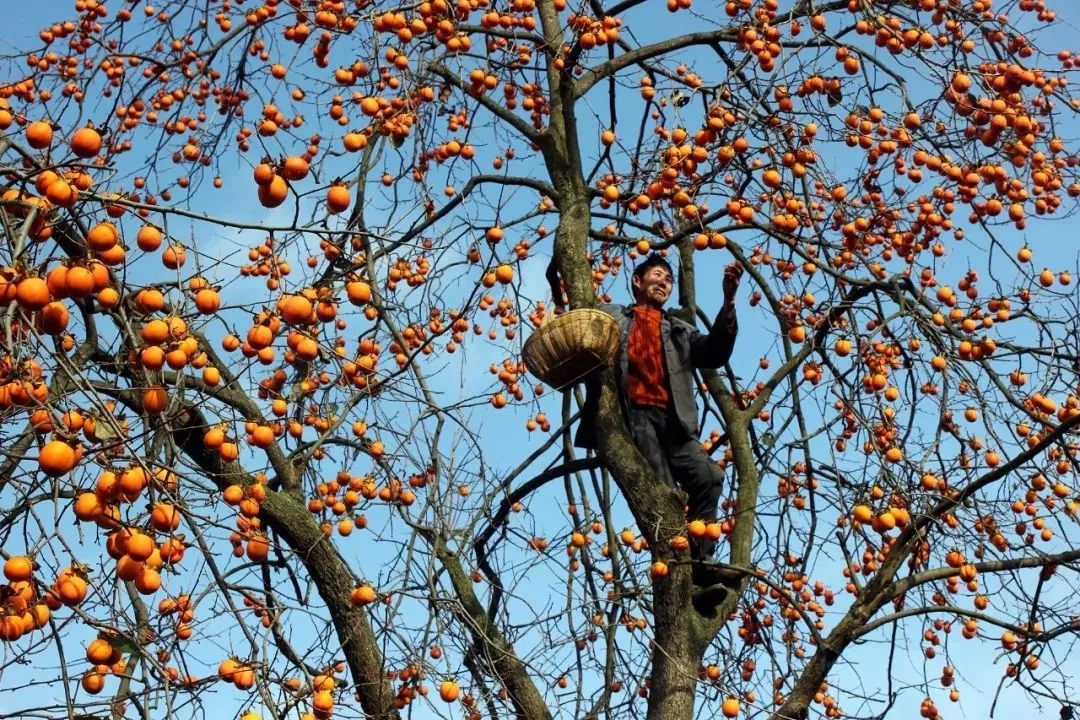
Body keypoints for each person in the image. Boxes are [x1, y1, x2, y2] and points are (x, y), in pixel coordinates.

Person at [575, 252, 743, 592]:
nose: (664, 282)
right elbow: (576, 327)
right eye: (657, 275)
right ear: (637, 281)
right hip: (634, 417)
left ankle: (701, 562)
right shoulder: (612, 316)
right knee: (665, 498)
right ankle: (690, 585)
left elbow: (713, 352)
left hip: (674, 420)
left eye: (668, 279)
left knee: (709, 476)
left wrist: (728, 302)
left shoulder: (679, 328)